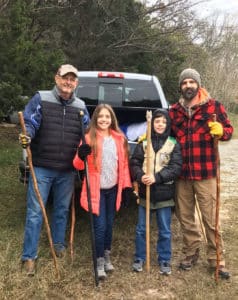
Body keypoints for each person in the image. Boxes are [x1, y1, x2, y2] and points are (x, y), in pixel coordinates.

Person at [19, 64, 90, 276]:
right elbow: (30, 122)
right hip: (41, 167)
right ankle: (29, 256)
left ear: (76, 83)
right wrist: (27, 135)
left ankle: (58, 245)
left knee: (62, 210)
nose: (68, 82)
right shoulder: (41, 99)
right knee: (35, 212)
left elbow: (86, 131)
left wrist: (87, 148)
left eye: (72, 79)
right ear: (56, 78)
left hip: (67, 170)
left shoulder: (80, 106)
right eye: (65, 77)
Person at [169, 68, 233, 279]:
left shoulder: (214, 107)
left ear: (198, 84)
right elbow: (166, 137)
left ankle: (217, 259)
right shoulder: (174, 110)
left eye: (191, 82)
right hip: (182, 175)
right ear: (181, 86)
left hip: (206, 172)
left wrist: (221, 131)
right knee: (185, 217)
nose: (188, 85)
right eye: (184, 82)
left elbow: (229, 131)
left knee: (210, 218)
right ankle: (191, 251)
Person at [73, 104, 136, 280]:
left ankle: (106, 255)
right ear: (95, 119)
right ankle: (99, 260)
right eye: (100, 116)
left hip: (113, 190)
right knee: (99, 227)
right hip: (97, 191)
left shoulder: (119, 139)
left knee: (109, 225)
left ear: (112, 119)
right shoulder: (88, 137)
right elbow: (77, 165)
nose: (104, 120)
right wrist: (81, 154)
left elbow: (123, 166)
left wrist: (126, 188)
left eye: (107, 117)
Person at [130, 109, 182, 275]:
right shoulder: (144, 142)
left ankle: (164, 259)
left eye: (163, 122)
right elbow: (135, 163)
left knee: (165, 230)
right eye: (157, 121)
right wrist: (140, 176)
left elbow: (175, 168)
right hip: (146, 194)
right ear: (151, 124)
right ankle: (139, 257)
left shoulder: (173, 143)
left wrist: (157, 177)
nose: (160, 124)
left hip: (164, 194)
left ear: (168, 125)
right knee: (141, 229)